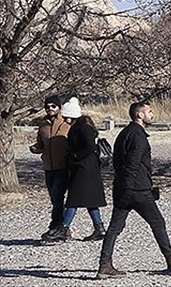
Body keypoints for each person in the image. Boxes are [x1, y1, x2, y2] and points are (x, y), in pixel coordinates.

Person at [97, 102, 171, 279]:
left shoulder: (125, 133)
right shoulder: (138, 136)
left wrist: (123, 189)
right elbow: (132, 165)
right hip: (136, 190)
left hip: (123, 188)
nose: (152, 114)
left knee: (114, 228)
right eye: (149, 112)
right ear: (139, 115)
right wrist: (130, 189)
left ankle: (105, 265)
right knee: (157, 222)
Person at [60, 98, 107, 242]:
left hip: (84, 168)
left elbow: (90, 147)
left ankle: (64, 227)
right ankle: (99, 227)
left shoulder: (83, 128)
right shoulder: (81, 126)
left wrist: (75, 155)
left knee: (73, 199)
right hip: (87, 168)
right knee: (90, 199)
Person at [29, 94, 70, 241]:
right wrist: (36, 148)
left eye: (53, 106)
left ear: (59, 108)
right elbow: (41, 144)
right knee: (54, 198)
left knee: (58, 197)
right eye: (47, 106)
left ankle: (55, 226)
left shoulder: (67, 123)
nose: (50, 109)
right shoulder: (43, 125)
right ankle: (64, 227)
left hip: (63, 166)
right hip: (48, 167)